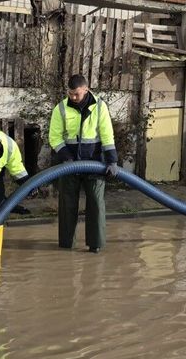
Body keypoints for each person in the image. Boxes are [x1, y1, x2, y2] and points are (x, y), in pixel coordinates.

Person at [49, 74, 119, 252]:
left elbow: (107, 135)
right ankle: (66, 245)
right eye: (70, 93)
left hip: (95, 163)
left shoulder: (100, 107)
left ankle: (95, 245)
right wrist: (67, 157)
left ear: (86, 90)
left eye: (77, 94)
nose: (73, 97)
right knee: (67, 204)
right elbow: (55, 137)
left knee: (96, 203)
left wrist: (112, 161)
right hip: (68, 164)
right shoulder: (61, 109)